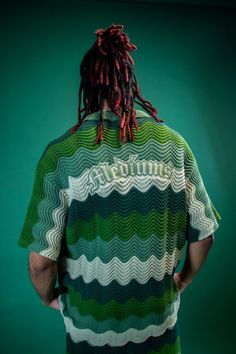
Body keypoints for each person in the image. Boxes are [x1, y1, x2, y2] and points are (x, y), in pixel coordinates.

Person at [18, 24, 221, 354]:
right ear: (130, 83)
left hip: (91, 332)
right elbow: (205, 236)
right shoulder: (174, 147)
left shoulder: (62, 156)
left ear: (89, 86)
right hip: (160, 325)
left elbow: (40, 263)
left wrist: (49, 298)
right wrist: (183, 280)